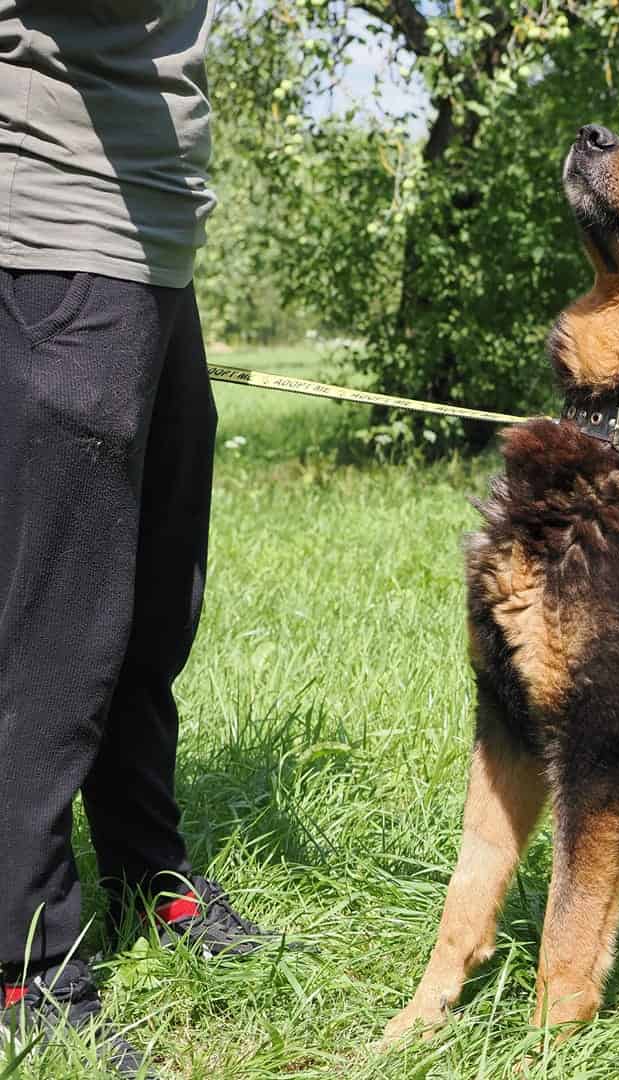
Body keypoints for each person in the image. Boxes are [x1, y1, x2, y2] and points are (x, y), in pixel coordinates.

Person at [0, 3, 274, 1074]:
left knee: (151, 615)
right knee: (54, 640)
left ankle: (145, 868)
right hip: (58, 228)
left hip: (152, 244)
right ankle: (26, 961)